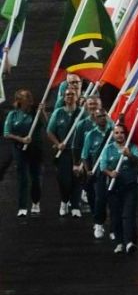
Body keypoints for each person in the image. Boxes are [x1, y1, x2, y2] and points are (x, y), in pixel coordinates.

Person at [100, 123, 138, 254]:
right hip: (114, 187)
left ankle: (130, 241)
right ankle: (119, 242)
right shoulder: (108, 149)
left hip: (130, 186)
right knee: (116, 215)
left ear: (126, 134)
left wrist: (129, 155)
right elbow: (103, 166)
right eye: (116, 132)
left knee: (128, 214)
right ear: (113, 135)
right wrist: (110, 173)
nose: (119, 135)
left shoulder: (132, 147)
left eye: (121, 132)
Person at [4, 89, 43, 217]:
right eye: (26, 97)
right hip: (19, 150)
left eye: (30, 96)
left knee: (36, 177)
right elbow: (7, 133)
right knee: (23, 178)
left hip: (35, 149)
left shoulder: (35, 113)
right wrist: (21, 139)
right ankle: (22, 206)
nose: (30, 99)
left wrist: (42, 112)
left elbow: (47, 126)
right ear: (19, 100)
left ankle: (36, 202)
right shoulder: (13, 115)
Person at [46, 88, 83, 218]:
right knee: (64, 180)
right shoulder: (58, 113)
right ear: (63, 97)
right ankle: (64, 200)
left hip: (78, 152)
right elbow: (49, 131)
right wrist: (57, 144)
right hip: (64, 153)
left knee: (77, 178)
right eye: (67, 94)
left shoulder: (82, 113)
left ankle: (75, 206)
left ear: (77, 97)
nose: (69, 96)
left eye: (72, 94)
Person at [82, 107, 112, 238]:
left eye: (104, 115)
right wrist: (88, 170)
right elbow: (85, 155)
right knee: (100, 198)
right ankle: (99, 223)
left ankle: (114, 228)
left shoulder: (113, 132)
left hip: (112, 168)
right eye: (99, 116)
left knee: (113, 199)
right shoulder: (91, 135)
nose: (102, 118)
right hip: (98, 170)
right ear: (95, 119)